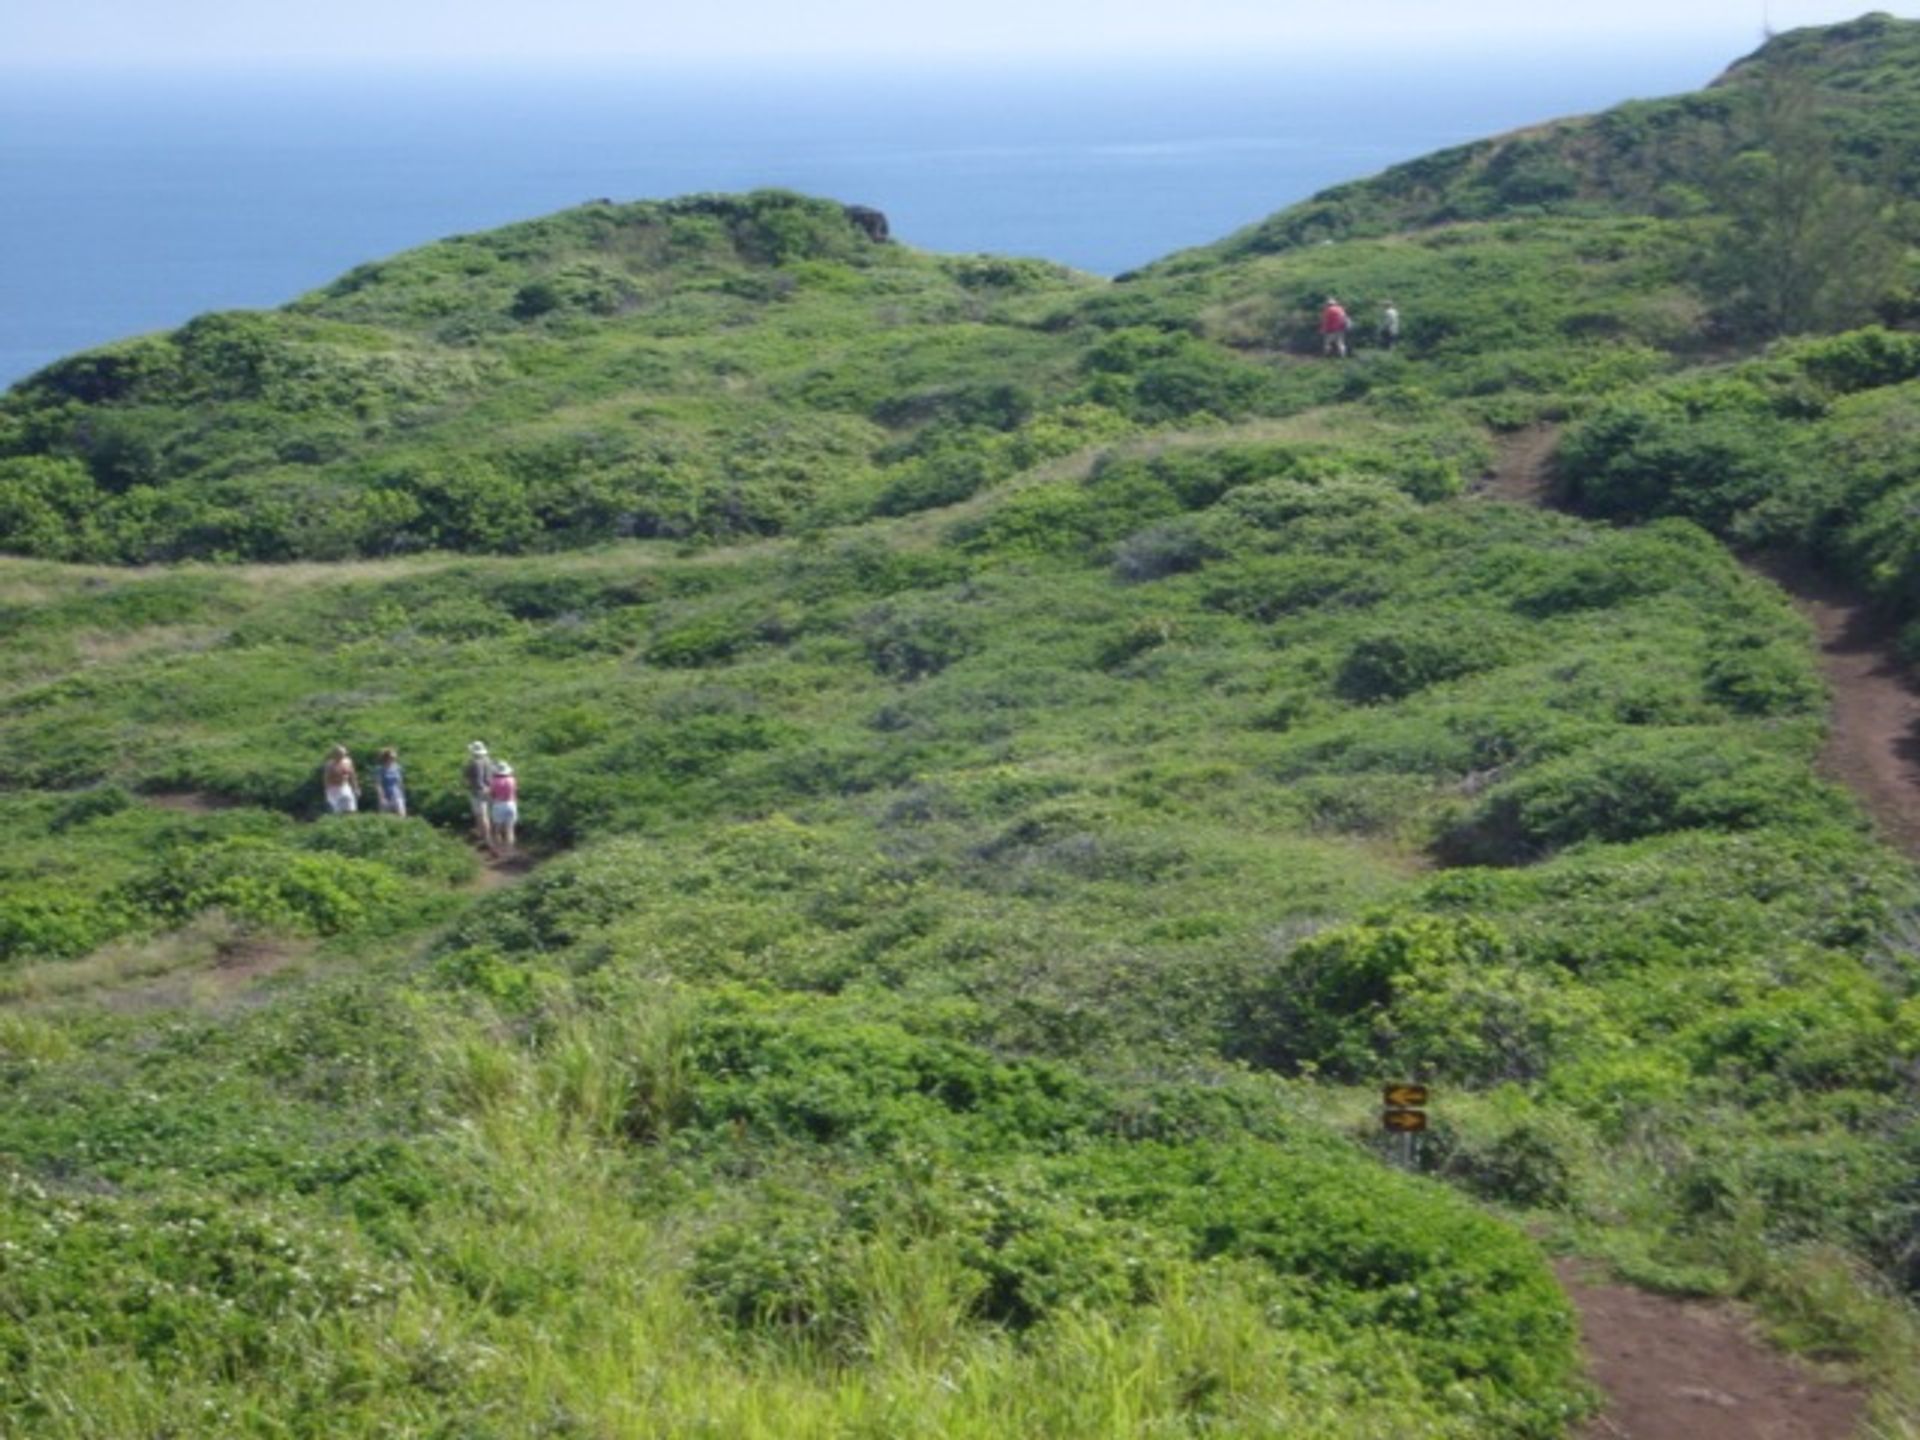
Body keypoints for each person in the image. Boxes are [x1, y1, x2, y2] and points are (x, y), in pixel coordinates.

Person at [463, 741, 494, 844]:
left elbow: (470, 779)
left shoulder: (473, 763)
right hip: (489, 789)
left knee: (479, 814)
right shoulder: (488, 760)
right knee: (486, 814)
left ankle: (483, 836)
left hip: (477, 791)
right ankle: (487, 836)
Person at [488, 762, 519, 856]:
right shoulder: (512, 779)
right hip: (511, 804)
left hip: (498, 804)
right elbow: (515, 792)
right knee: (510, 829)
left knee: (497, 830)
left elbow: (492, 794)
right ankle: (510, 851)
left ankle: (498, 851)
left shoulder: (493, 781)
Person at [321, 745, 360, 815]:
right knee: (337, 810)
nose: (342, 756)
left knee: (351, 807)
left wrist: (356, 788)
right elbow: (326, 779)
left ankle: (350, 822)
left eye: (344, 754)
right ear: (335, 755)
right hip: (334, 788)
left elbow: (352, 775)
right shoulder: (329, 764)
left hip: (345, 786)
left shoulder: (348, 762)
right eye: (340, 755)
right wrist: (327, 791)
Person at [375, 747, 406, 817]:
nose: (394, 758)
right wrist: (381, 797)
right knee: (386, 816)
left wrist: (403, 795)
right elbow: (378, 784)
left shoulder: (398, 767)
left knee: (402, 815)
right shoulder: (380, 769)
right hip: (385, 795)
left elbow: (400, 782)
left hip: (397, 795)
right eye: (392, 757)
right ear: (387, 757)